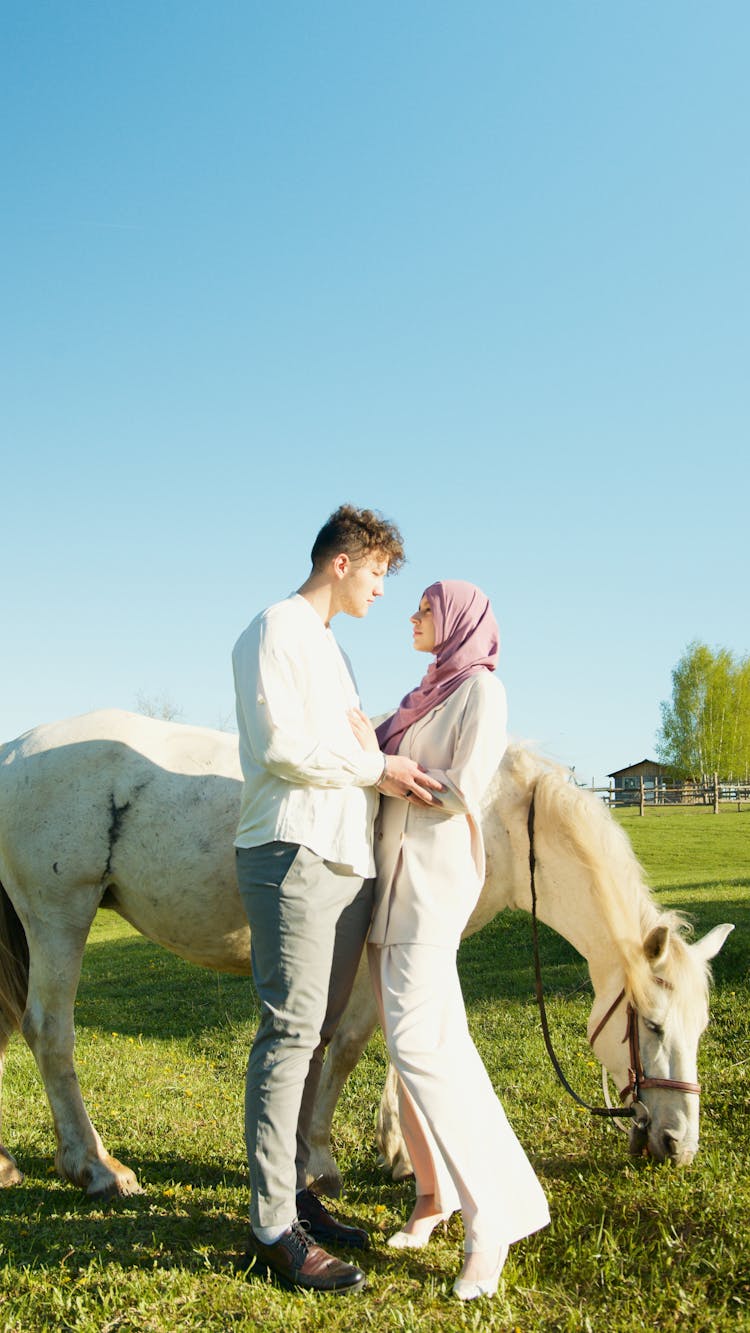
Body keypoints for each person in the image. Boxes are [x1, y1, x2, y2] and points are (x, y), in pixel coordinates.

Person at [232, 504, 442, 1295]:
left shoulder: (330, 649)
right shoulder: (275, 629)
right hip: (290, 849)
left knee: (315, 1034)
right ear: (345, 562)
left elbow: (352, 744)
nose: (387, 591)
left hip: (345, 857)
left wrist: (374, 747)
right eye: (382, 573)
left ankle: (296, 1198)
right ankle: (270, 1227)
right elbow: (281, 747)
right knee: (287, 1033)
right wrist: (373, 764)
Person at [349, 579, 550, 1301]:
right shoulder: (420, 694)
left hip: (431, 891)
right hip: (385, 890)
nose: (412, 616)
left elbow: (464, 786)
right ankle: (433, 1196)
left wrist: (390, 771)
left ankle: (489, 1214)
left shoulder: (480, 693)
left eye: (425, 608)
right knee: (422, 1048)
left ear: (458, 618)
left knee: (420, 1049)